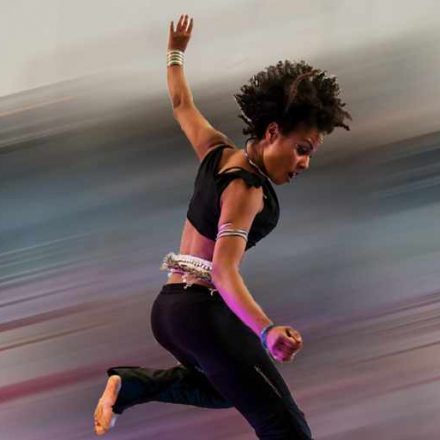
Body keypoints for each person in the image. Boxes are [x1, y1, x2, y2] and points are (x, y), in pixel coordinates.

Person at [94, 14, 351, 439]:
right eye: (301, 149)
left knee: (221, 389)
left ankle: (132, 385)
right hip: (201, 312)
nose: (305, 163)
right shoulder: (247, 189)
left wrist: (175, 53)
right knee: (286, 428)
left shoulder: (216, 151)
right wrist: (266, 330)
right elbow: (223, 270)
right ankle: (134, 386)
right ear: (273, 132)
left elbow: (182, 105)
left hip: (169, 311)